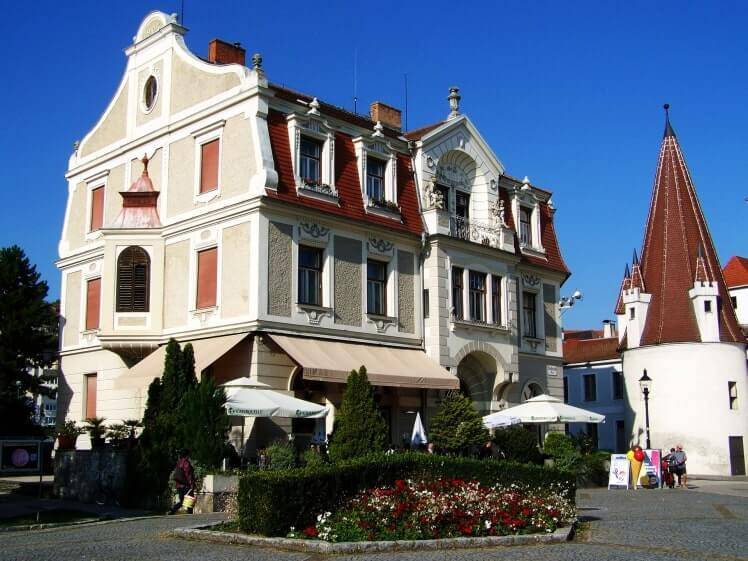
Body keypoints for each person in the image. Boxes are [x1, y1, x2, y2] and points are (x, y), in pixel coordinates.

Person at [168, 449, 195, 514]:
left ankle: (172, 510)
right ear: (187, 455)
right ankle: (190, 514)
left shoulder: (179, 462)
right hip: (186, 485)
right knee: (189, 499)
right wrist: (192, 484)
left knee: (182, 501)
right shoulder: (186, 462)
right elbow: (188, 474)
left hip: (179, 485)